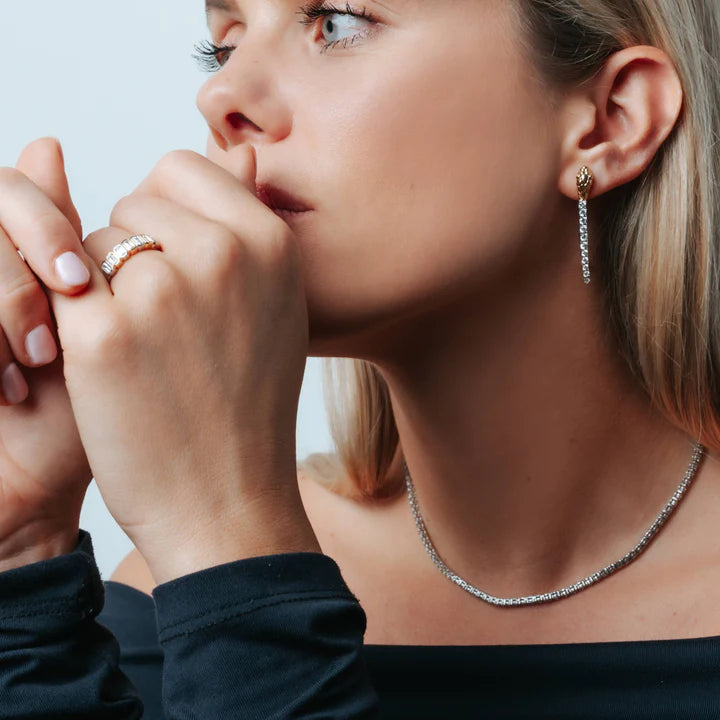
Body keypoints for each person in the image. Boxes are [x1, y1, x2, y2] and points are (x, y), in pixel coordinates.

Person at [0, 0, 718, 717]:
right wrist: (22, 553)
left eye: (336, 22)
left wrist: (242, 562)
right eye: (224, 44)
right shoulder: (171, 599)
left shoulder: (213, 564)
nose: (220, 95)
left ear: (611, 118)